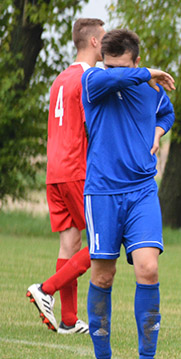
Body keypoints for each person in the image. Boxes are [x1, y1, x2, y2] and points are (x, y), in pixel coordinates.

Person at [81, 29, 175, 359]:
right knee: (104, 275)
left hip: (141, 190)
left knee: (148, 269)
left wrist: (158, 131)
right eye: (109, 65)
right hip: (103, 191)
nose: (112, 72)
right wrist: (147, 72)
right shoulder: (94, 80)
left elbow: (166, 113)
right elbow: (114, 77)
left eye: (122, 66)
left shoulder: (150, 88)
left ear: (136, 59)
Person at [26, 18, 105, 335]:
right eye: (104, 36)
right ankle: (46, 288)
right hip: (76, 170)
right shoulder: (89, 78)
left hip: (54, 171)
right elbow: (94, 126)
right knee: (105, 240)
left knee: (70, 241)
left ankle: (69, 320)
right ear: (95, 42)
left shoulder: (60, 79)